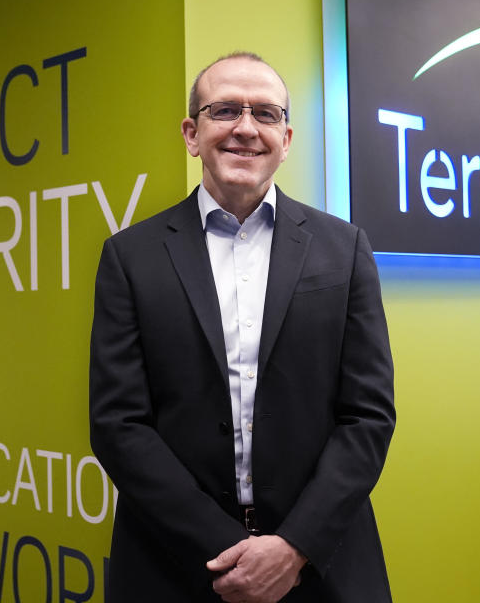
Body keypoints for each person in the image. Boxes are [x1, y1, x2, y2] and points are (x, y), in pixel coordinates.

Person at [89, 52, 395, 602]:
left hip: (319, 568)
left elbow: (368, 416)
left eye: (266, 114)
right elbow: (118, 423)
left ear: (287, 136)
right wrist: (228, 548)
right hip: (174, 566)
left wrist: (292, 547)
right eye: (225, 109)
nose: (246, 129)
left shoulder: (344, 249)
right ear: (191, 132)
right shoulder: (129, 257)